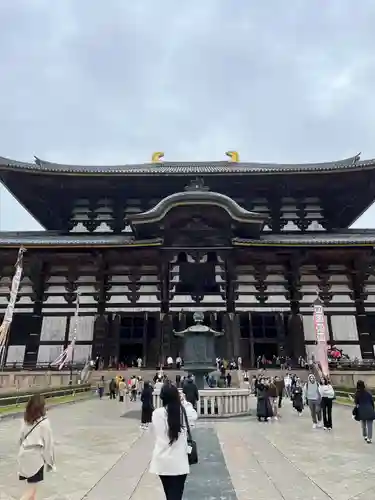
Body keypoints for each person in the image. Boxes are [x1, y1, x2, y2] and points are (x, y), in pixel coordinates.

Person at [150, 384, 197, 500]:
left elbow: (154, 432)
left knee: (169, 493)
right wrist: (184, 401)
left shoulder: (157, 413)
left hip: (162, 460)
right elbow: (194, 415)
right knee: (176, 494)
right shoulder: (184, 412)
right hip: (179, 461)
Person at [18, 395, 55, 500]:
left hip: (23, 455)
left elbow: (20, 439)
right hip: (35, 459)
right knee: (30, 490)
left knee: (32, 489)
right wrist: (50, 462)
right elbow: (48, 444)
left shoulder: (26, 420)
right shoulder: (44, 423)